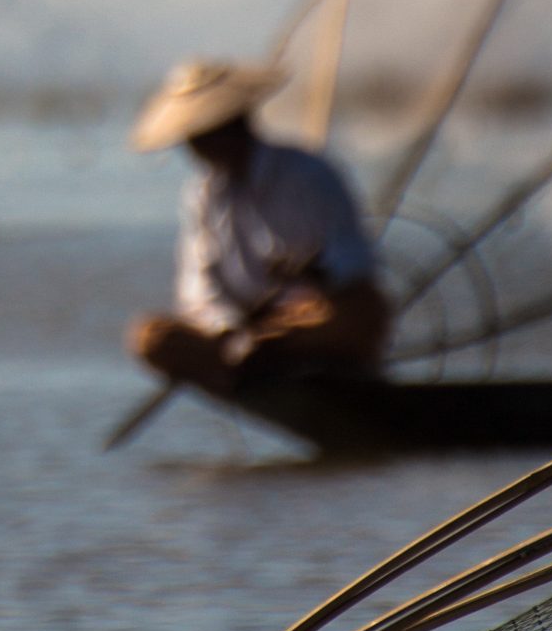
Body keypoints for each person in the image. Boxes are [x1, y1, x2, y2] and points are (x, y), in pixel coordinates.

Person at [124, 60, 388, 402]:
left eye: (205, 133)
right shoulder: (203, 197)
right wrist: (229, 330)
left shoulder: (308, 174)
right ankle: (246, 368)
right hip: (244, 332)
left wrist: (314, 274)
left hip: (311, 325)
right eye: (192, 138)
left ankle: (266, 358)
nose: (196, 147)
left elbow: (355, 263)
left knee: (361, 310)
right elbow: (199, 292)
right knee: (151, 338)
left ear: (236, 125)